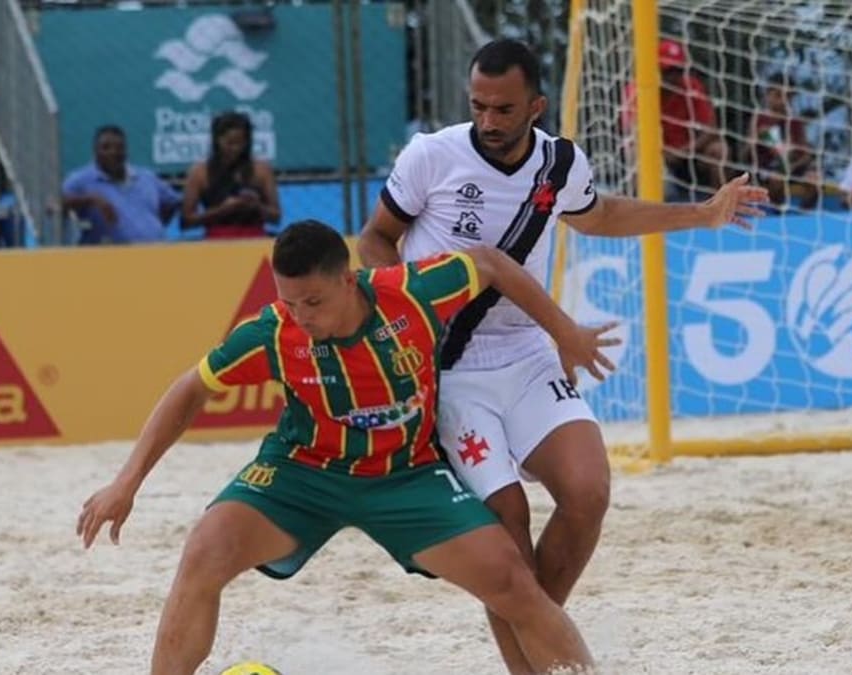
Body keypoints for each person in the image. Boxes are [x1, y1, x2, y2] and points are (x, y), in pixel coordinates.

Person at [359, 38, 768, 675]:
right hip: (450, 368)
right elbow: (376, 240)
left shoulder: (560, 164)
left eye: (503, 109)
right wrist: (411, 307)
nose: (489, 121)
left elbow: (598, 214)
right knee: (508, 528)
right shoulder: (430, 156)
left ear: (537, 106)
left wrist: (703, 213)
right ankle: (540, 659)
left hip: (527, 353)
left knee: (588, 492)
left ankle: (536, 641)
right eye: (479, 107)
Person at [77, 220, 618, 675]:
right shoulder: (274, 332)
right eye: (289, 302)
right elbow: (191, 388)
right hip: (302, 474)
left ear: (348, 279)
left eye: (312, 301)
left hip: (406, 476)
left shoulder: (411, 292)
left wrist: (564, 332)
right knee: (204, 552)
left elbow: (491, 262)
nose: (301, 316)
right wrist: (127, 482)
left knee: (511, 580)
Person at [621, 38, 729, 198]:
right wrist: (662, 153)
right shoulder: (638, 90)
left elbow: (711, 129)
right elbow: (634, 133)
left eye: (678, 70)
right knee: (633, 152)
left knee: (719, 149)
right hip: (655, 153)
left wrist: (683, 151)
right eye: (667, 71)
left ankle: (722, 205)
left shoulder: (692, 87)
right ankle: (641, 205)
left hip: (688, 151)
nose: (674, 76)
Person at [62, 125, 182, 245]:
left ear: (126, 151)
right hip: (112, 256)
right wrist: (90, 200)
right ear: (95, 151)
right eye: (106, 148)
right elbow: (55, 204)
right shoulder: (82, 179)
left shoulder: (146, 177)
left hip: (157, 252)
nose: (113, 152)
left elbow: (173, 202)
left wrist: (153, 225)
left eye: (119, 148)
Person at [181, 111, 281, 239]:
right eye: (229, 143)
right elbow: (186, 221)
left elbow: (276, 216)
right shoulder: (200, 172)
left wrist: (256, 206)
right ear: (217, 140)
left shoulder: (261, 170)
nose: (235, 148)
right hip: (217, 240)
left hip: (255, 238)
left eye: (240, 143)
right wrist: (221, 210)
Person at [748, 74, 821, 210]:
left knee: (814, 179)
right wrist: (758, 137)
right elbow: (749, 151)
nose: (783, 101)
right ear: (768, 95)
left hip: (792, 165)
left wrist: (794, 165)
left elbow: (806, 153)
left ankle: (804, 215)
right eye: (778, 95)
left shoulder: (795, 121)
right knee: (777, 179)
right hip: (768, 167)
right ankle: (778, 212)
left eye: (788, 97)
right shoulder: (759, 118)